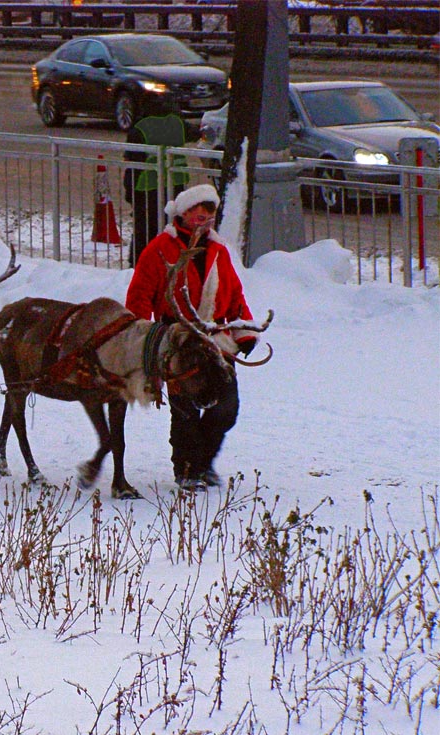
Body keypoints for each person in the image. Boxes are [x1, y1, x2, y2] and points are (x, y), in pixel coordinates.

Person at [124, 183, 257, 490]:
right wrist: (144, 339)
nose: (204, 217)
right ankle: (187, 470)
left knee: (226, 408)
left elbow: (235, 296)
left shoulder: (219, 251)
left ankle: (202, 462)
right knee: (185, 410)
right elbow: (139, 298)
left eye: (209, 212)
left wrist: (244, 332)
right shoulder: (158, 250)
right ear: (183, 214)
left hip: (215, 340)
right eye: (198, 211)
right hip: (178, 340)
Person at [123, 113, 190, 269]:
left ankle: (138, 266)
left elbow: (134, 166)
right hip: (176, 185)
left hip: (147, 187)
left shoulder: (140, 128)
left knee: (144, 231)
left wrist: (129, 193)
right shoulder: (177, 124)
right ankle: (171, 263)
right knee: (173, 229)